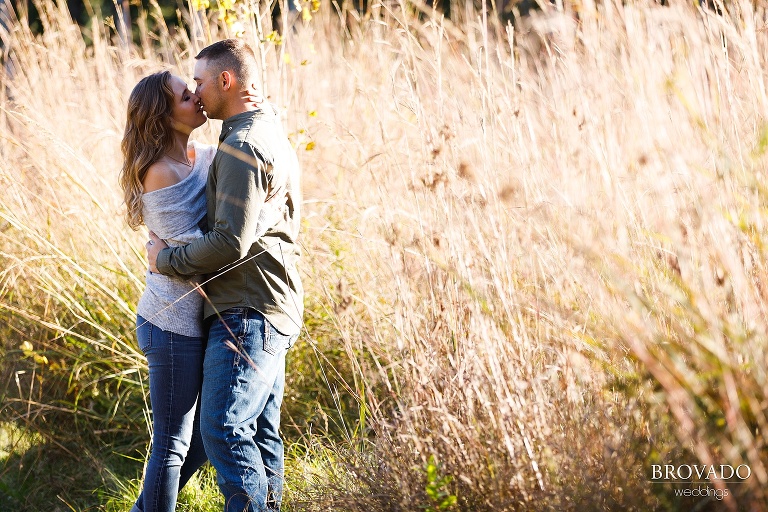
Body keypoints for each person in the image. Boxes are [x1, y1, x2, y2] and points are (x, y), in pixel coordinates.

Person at [146, 39, 304, 512]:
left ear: (226, 81)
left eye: (199, 81)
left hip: (247, 309)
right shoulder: (266, 128)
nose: (196, 91)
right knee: (259, 429)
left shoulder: (242, 146)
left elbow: (229, 242)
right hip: (271, 303)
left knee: (221, 426)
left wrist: (164, 262)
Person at [119, 70, 213, 512]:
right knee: (173, 444)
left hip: (201, 321)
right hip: (170, 322)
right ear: (162, 116)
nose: (196, 97)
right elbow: (197, 249)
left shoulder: (203, 154)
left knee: (207, 439)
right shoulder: (159, 172)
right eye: (184, 95)